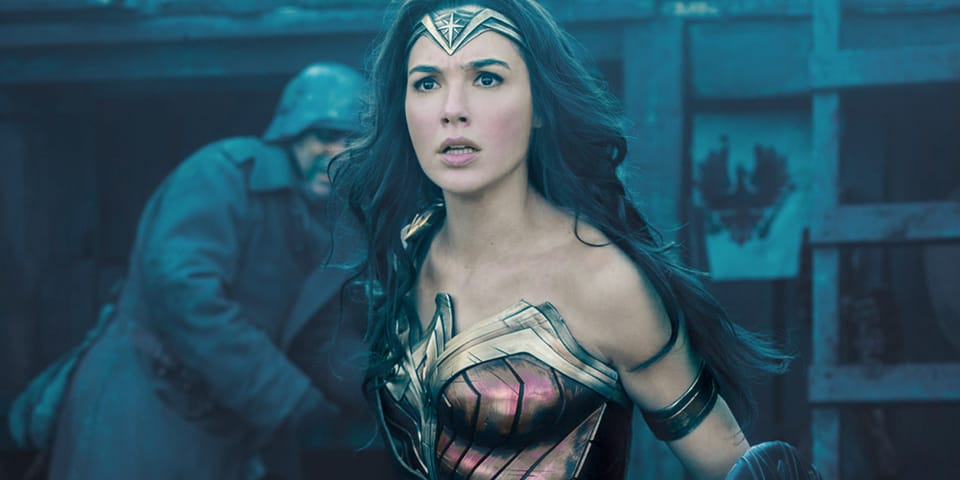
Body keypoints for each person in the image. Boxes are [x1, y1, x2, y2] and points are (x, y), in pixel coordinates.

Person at [329, 1, 821, 479]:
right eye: (427, 82)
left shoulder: (604, 282)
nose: (452, 110)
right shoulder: (409, 250)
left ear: (540, 107)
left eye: (487, 78)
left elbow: (731, 464)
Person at [42, 62, 368, 480]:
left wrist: (389, 394)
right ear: (291, 133)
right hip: (144, 402)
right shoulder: (222, 174)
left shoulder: (335, 224)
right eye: (324, 136)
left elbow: (320, 336)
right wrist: (288, 397)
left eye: (351, 140)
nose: (336, 152)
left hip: (225, 424)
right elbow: (185, 295)